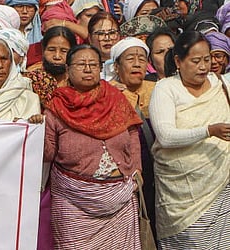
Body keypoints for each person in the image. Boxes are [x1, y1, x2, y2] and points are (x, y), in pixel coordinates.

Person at [44, 44, 143, 250]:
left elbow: (133, 132)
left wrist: (136, 170)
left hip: (121, 199)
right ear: (68, 69)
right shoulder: (56, 106)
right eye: (81, 64)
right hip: (73, 201)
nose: (88, 69)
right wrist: (35, 128)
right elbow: (49, 152)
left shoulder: (116, 98)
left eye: (93, 64)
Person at [149, 30, 230, 248]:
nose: (203, 67)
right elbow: (165, 137)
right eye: (195, 61)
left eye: (207, 59)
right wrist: (209, 131)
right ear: (178, 61)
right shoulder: (166, 88)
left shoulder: (221, 85)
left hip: (222, 189)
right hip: (181, 200)